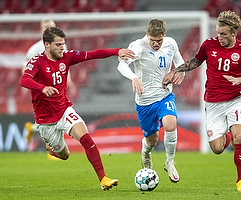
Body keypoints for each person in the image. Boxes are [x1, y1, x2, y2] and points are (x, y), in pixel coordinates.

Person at [20, 26, 135, 190]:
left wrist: (117, 51)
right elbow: (24, 80)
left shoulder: (67, 57)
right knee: (64, 155)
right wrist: (42, 88)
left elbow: (93, 54)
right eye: (58, 45)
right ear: (47, 45)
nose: (62, 48)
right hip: (45, 120)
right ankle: (52, 149)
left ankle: (103, 179)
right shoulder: (36, 61)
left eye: (63, 44)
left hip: (64, 110)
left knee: (86, 138)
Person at [163, 10, 241, 191]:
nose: (220, 37)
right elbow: (195, 61)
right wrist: (175, 71)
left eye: (223, 34)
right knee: (217, 149)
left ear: (233, 32)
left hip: (235, 100)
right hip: (213, 103)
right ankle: (230, 135)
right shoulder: (209, 45)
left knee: (240, 135)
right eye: (218, 33)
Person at [117, 19, 185, 183]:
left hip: (164, 95)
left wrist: (180, 71)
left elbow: (180, 61)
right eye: (152, 40)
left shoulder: (170, 44)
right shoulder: (138, 46)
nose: (156, 44)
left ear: (164, 35)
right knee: (152, 140)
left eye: (159, 40)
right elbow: (121, 66)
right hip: (145, 101)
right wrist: (134, 77)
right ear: (147, 35)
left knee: (170, 124)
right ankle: (145, 153)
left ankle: (170, 162)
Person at [24, 19, 73, 147]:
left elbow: (64, 64)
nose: (50, 29)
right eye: (47, 27)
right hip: (44, 90)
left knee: (58, 116)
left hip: (58, 86)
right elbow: (26, 71)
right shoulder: (35, 49)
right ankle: (53, 146)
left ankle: (34, 130)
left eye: (52, 26)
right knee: (56, 116)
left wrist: (68, 79)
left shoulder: (61, 45)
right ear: (41, 30)